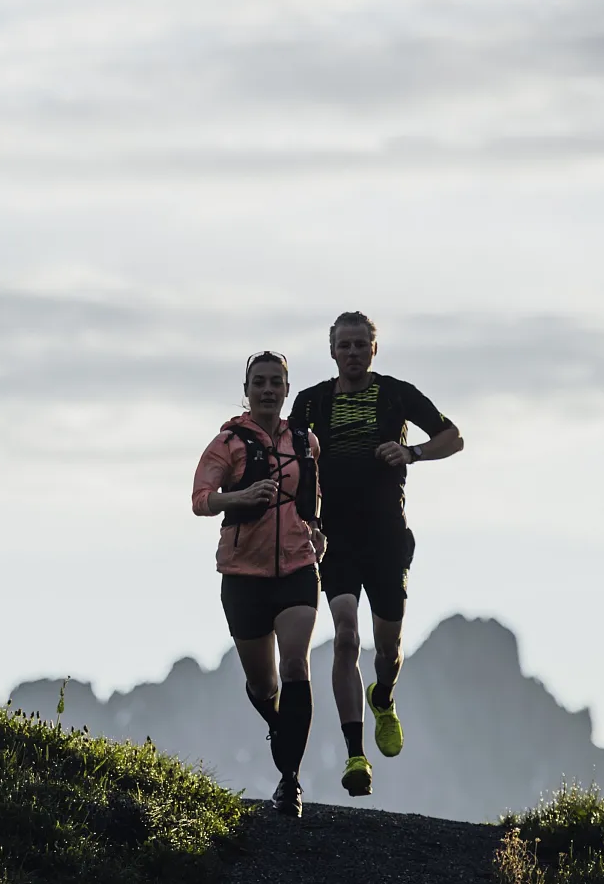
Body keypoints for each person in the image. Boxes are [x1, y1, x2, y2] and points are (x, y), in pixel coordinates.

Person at [288, 312, 462, 797]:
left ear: (374, 349)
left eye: (361, 344)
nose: (353, 352)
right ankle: (355, 755)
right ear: (332, 351)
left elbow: (454, 436)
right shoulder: (309, 403)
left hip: (386, 536)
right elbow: (287, 459)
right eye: (344, 345)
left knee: (386, 650)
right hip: (335, 537)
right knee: (345, 636)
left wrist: (413, 454)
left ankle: (382, 696)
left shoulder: (396, 394)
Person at [191, 350, 326, 817]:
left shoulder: (306, 442)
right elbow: (200, 500)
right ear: (246, 390)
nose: (268, 389)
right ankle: (277, 723)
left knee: (296, 668)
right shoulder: (226, 443)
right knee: (264, 682)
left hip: (297, 569)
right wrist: (242, 495)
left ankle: (290, 782)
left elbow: (311, 497)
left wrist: (317, 530)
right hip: (242, 577)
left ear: (287, 390)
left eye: (276, 382)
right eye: (259, 382)